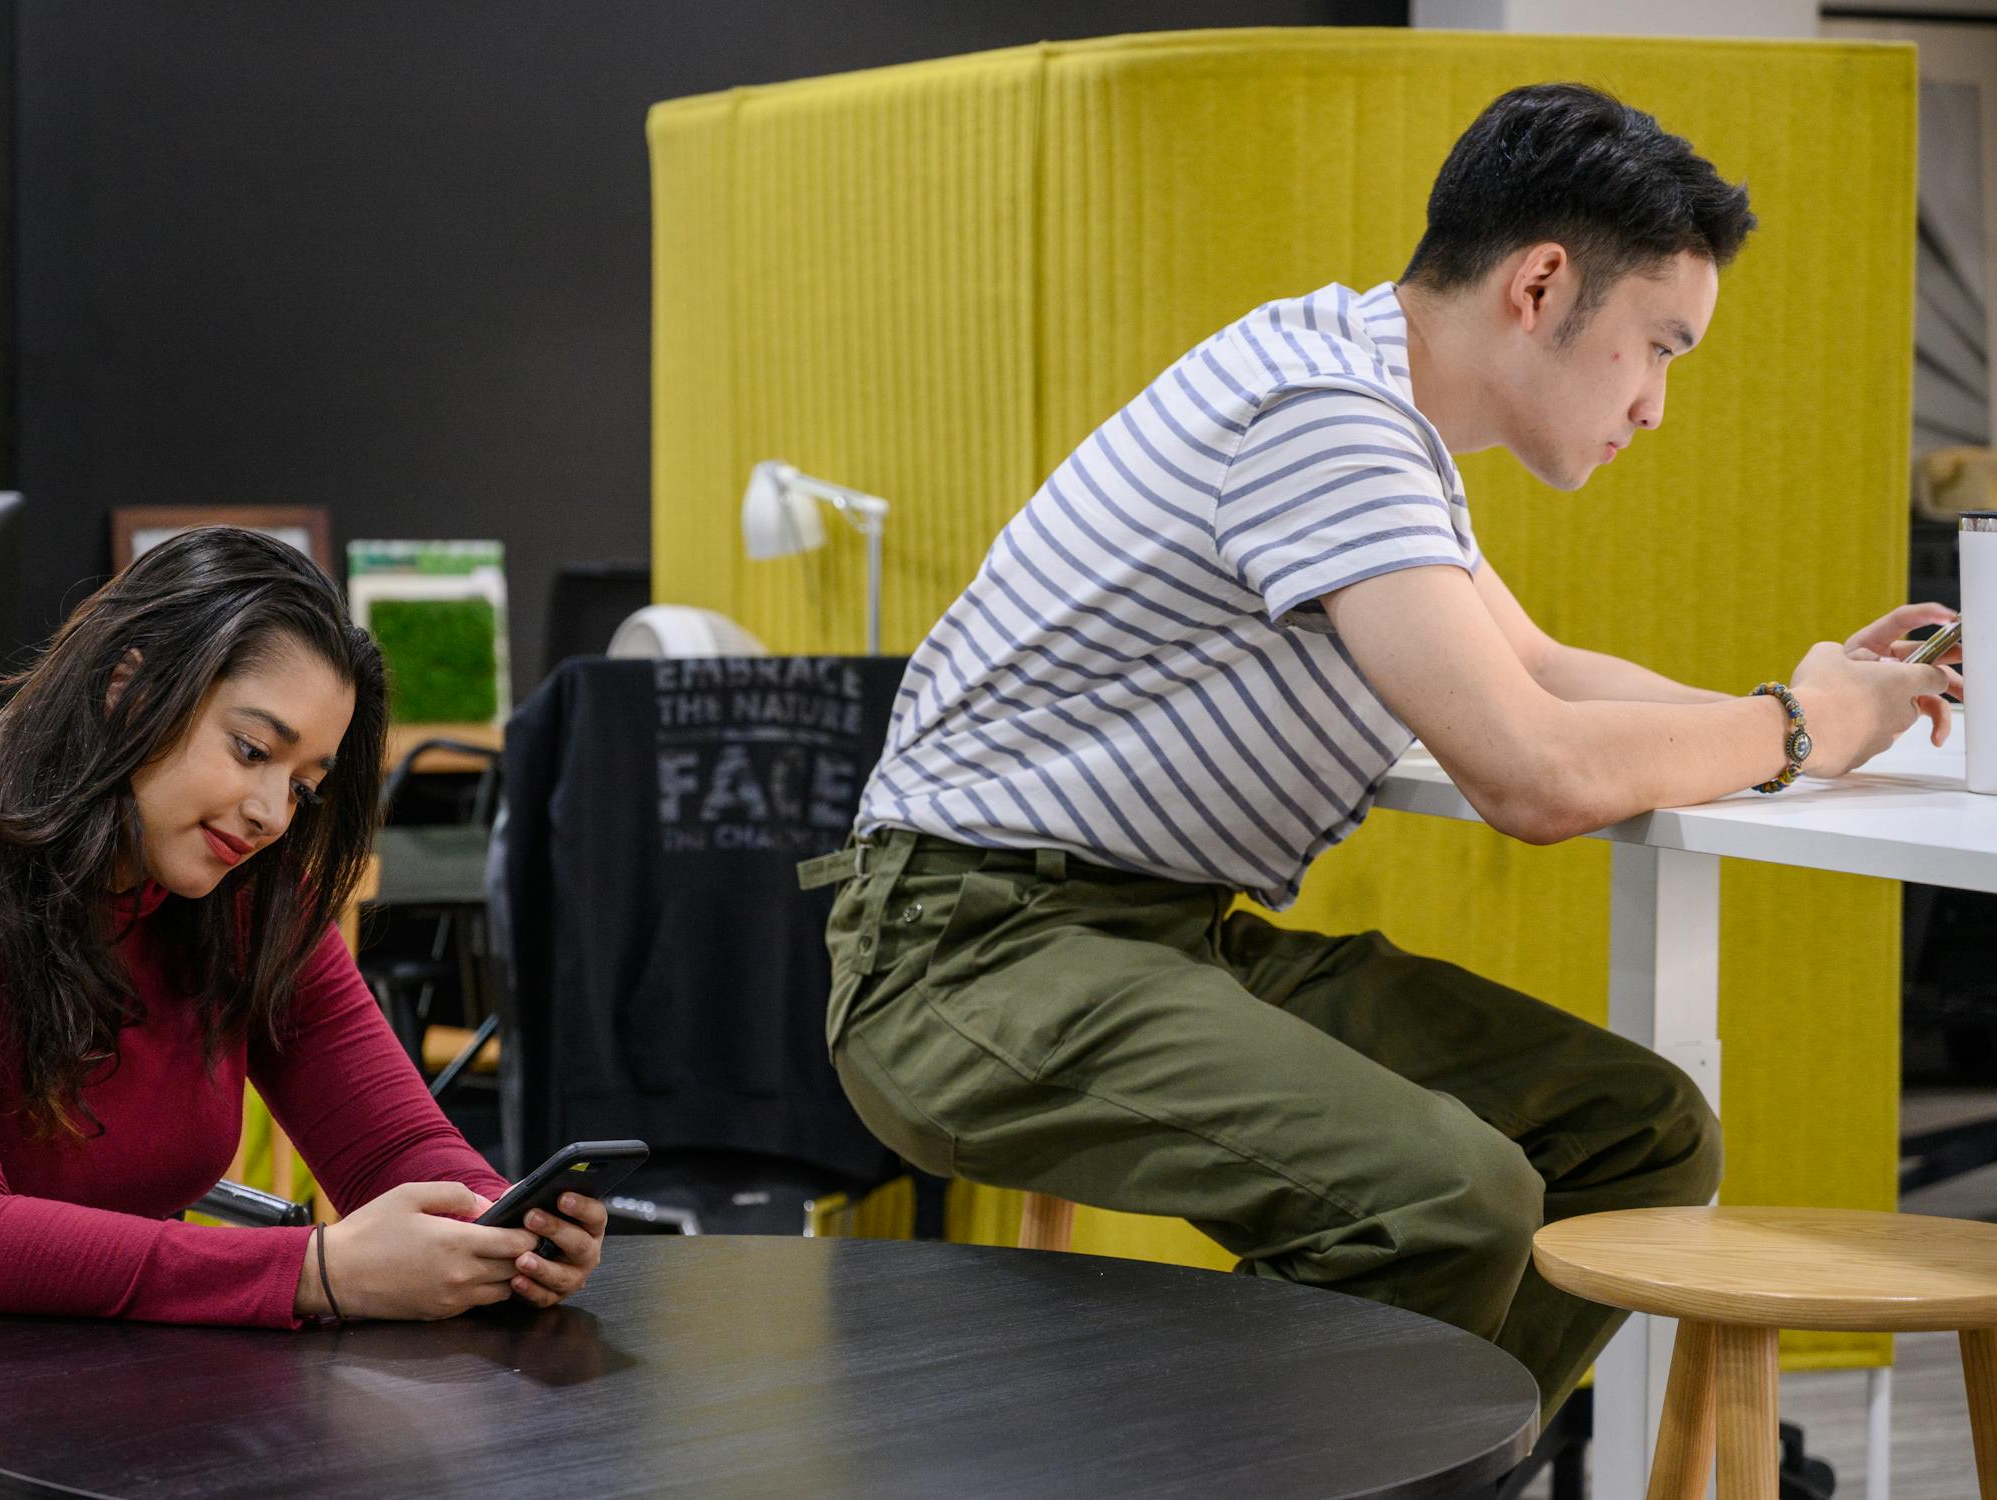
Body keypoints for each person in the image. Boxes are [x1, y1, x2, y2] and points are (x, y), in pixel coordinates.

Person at [805, 82, 1964, 1422]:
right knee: (1443, 1198)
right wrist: (1798, 726)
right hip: (967, 953)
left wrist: (1816, 712)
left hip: (1137, 934)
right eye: (1656, 346)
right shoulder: (1322, 416)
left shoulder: (1356, 394)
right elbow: (1528, 770)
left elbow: (1536, 672)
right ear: (1536, 287)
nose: (1652, 403)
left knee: (1631, 1134)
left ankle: (1425, 1464)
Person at [0, 528, 607, 1500]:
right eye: (251, 750)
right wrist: (320, 1271)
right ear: (128, 686)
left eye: (304, 786)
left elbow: (396, 1146)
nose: (274, 811)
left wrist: (495, 1228)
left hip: (128, 1365)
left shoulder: (246, 901)